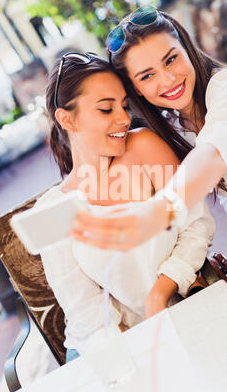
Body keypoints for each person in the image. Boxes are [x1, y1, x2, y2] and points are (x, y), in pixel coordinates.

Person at [34, 52, 215, 361]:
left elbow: (197, 224)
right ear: (66, 119)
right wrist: (139, 351)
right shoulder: (51, 210)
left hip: (179, 310)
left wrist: (160, 294)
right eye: (106, 109)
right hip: (106, 344)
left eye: (124, 105)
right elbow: (85, 308)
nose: (123, 118)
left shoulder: (143, 147)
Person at [72, 6, 227, 253]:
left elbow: (214, 155)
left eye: (171, 59)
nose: (167, 79)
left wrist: (156, 214)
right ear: (136, 88)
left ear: (187, 49)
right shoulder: (175, 128)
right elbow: (221, 180)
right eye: (147, 76)